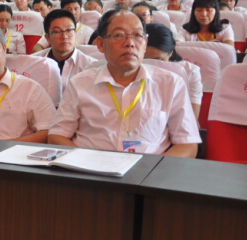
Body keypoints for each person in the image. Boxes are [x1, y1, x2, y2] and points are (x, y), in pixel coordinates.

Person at [48, 9, 200, 157]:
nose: (130, 43)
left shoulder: (171, 84)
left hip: (148, 175)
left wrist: (153, 174)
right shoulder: (80, 84)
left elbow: (187, 144)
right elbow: (57, 135)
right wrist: (86, 165)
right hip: (90, 175)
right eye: (119, 35)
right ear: (100, 44)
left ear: (145, 43)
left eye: (137, 35)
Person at [145, 23, 202, 119]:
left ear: (170, 53)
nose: (152, 67)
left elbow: (191, 117)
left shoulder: (190, 71)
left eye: (159, 60)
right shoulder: (126, 68)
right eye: (145, 60)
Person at [32, 10, 94, 90]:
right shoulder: (33, 63)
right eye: (57, 31)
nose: (64, 36)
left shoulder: (90, 66)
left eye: (69, 30)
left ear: (75, 33)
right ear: (47, 38)